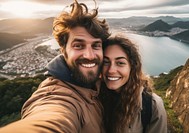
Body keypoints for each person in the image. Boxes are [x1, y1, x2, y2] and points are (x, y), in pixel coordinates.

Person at [0, 0, 110, 132]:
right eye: (78, 45)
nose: (89, 55)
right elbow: (50, 118)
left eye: (96, 45)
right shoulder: (56, 95)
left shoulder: (103, 82)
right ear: (63, 51)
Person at [99, 35, 167, 133]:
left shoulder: (152, 106)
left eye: (120, 63)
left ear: (132, 67)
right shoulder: (94, 95)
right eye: (105, 62)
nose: (111, 70)